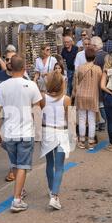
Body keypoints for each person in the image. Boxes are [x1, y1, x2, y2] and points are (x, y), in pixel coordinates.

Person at [0, 55, 42, 213]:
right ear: (24, 69)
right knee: (22, 166)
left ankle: (20, 190)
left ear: (10, 68)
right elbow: (37, 110)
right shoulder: (31, 85)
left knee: (15, 164)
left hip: (8, 132)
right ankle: (16, 200)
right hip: (25, 132)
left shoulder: (3, 86)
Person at [40, 72, 72, 210]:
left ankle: (50, 189)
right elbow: (70, 120)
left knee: (49, 163)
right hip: (61, 133)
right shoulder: (66, 99)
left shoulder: (42, 98)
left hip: (47, 132)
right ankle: (55, 195)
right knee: (59, 167)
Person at [72, 48, 102, 150]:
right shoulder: (98, 69)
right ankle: (91, 142)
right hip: (93, 96)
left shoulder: (80, 68)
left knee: (81, 119)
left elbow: (75, 83)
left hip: (81, 96)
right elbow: (100, 83)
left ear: (85, 56)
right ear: (94, 56)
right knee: (92, 120)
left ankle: (81, 141)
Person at [92, 36, 108, 131]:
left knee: (101, 105)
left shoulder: (95, 58)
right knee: (104, 104)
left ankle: (104, 122)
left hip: (98, 84)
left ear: (94, 46)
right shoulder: (108, 55)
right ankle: (105, 122)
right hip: (108, 84)